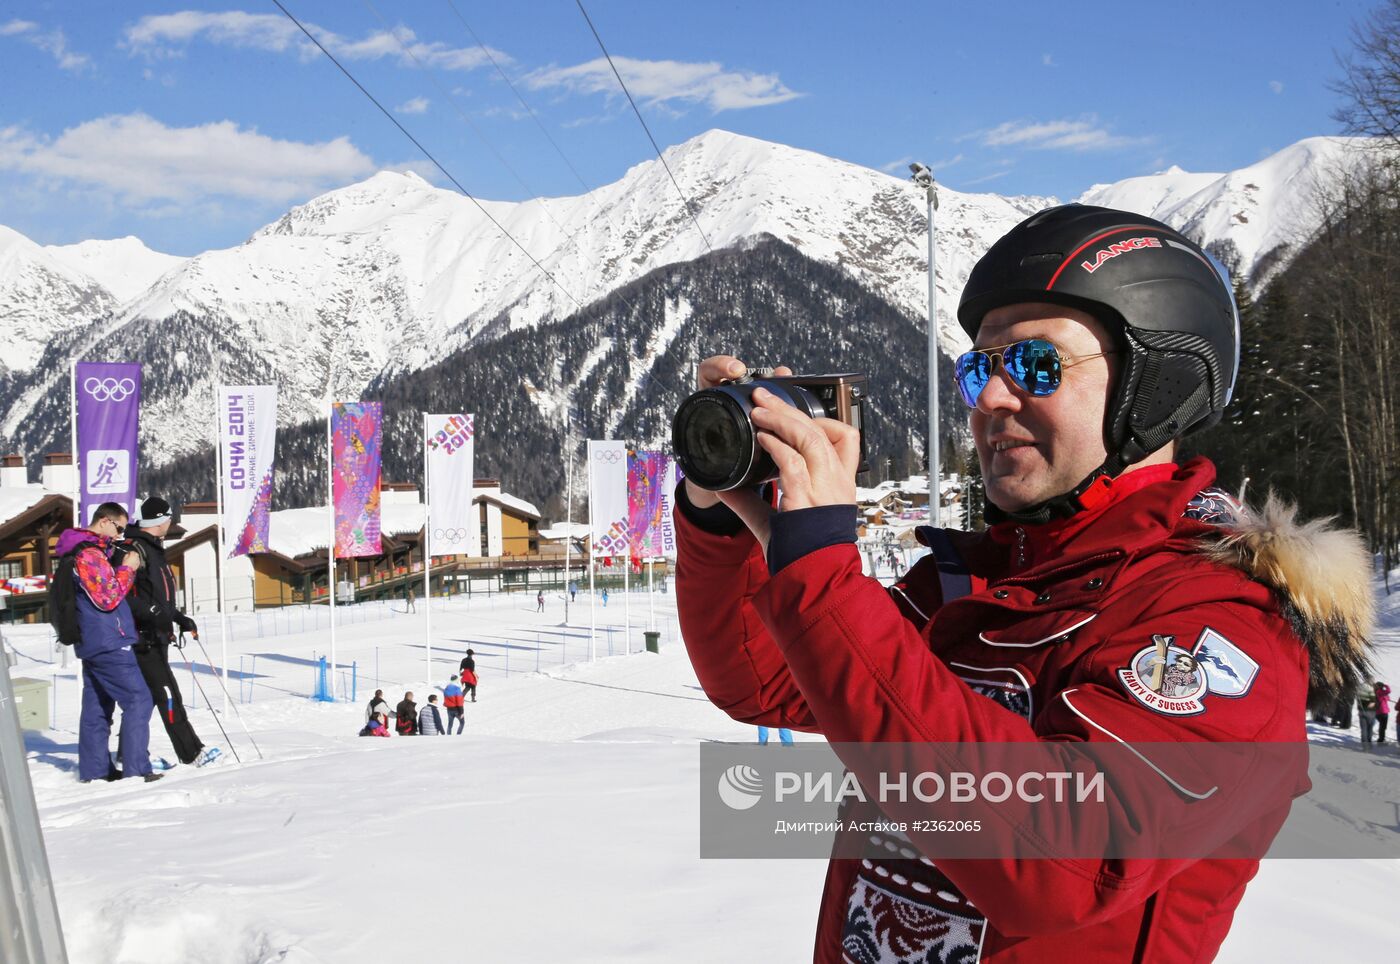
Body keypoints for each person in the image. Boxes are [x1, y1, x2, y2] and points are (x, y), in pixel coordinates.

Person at [675, 205, 1374, 961]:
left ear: (1158, 384)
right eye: (980, 367)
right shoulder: (975, 580)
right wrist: (728, 526)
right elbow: (763, 682)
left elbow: (1059, 866)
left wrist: (821, 577)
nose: (989, 399)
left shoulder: (1223, 619)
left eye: (1036, 365)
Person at [55, 502, 161, 783]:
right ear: (103, 521)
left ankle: (95, 771)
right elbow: (108, 597)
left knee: (97, 706)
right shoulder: (89, 554)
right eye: (118, 528)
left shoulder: (83, 550)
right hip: (108, 640)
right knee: (139, 699)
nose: (119, 535)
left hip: (92, 639)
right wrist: (128, 569)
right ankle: (136, 769)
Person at [124, 497, 220, 768]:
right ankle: (191, 753)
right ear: (159, 520)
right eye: (168, 518)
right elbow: (122, 593)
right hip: (145, 637)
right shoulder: (136, 550)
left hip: (158, 634)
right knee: (168, 695)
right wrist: (152, 614)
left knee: (144, 701)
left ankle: (126, 752)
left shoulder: (154, 550)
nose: (170, 523)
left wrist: (179, 618)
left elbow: (158, 598)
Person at [1358, 685, 1378, 751]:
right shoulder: (1371, 691)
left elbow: (1359, 701)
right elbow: (1373, 702)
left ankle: (1365, 746)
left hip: (1362, 712)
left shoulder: (1360, 690)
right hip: (1371, 713)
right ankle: (1369, 745)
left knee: (1364, 730)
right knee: (1369, 729)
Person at [1375, 679, 1392, 744]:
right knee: (1382, 726)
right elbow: (1389, 691)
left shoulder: (1381, 692)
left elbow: (1388, 698)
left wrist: (1385, 696)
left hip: (1383, 711)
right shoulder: (1379, 692)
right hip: (1381, 712)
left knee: (1383, 726)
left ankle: (1381, 738)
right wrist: (1385, 685)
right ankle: (1381, 739)